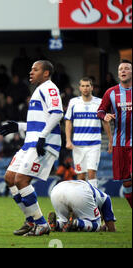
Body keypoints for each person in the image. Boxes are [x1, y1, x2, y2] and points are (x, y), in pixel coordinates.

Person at [0, 60, 63, 236]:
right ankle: (30, 220)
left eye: (35, 69)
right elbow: (40, 121)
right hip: (31, 142)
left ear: (46, 73)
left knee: (21, 180)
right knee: (10, 178)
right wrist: (19, 126)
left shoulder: (50, 88)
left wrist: (42, 137)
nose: (31, 72)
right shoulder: (38, 90)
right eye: (31, 69)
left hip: (43, 143)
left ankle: (41, 224)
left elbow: (57, 113)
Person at [64, 77, 113, 188]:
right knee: (81, 175)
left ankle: (93, 201)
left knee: (91, 174)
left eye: (87, 86)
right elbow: (68, 121)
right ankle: (80, 202)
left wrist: (111, 140)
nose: (85, 88)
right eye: (83, 86)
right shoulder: (73, 102)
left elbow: (105, 122)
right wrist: (68, 140)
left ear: (92, 87)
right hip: (78, 145)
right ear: (79, 88)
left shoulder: (100, 102)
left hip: (94, 144)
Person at [97, 59, 132, 208]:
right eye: (120, 69)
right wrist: (104, 116)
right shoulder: (111, 92)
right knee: (127, 183)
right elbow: (100, 111)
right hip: (120, 143)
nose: (123, 71)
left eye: (126, 68)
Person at [48, 180, 116, 232]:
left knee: (65, 221)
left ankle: (56, 224)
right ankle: (76, 222)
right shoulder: (106, 198)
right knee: (97, 225)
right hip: (80, 191)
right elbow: (111, 228)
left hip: (57, 190)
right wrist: (102, 227)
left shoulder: (97, 195)